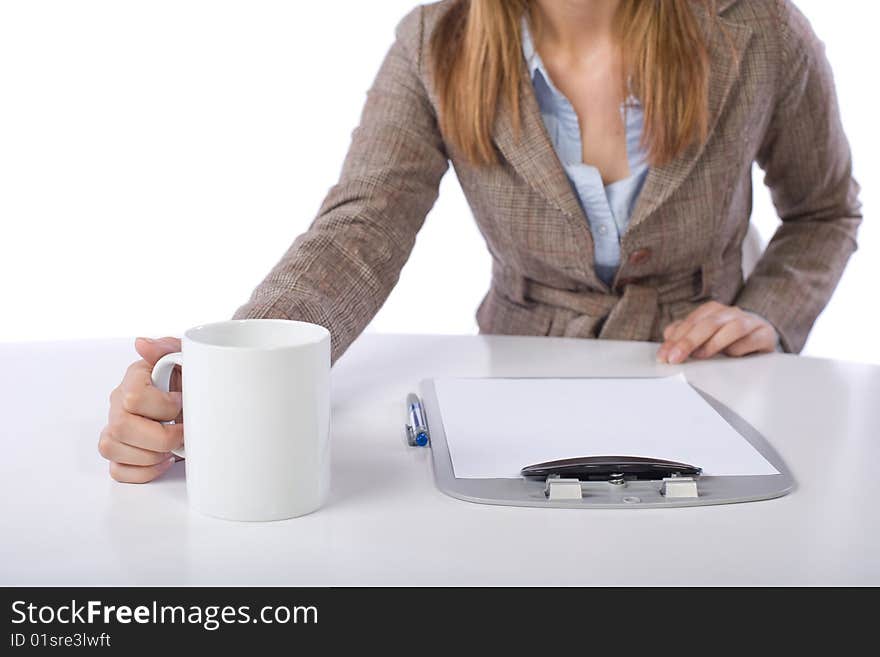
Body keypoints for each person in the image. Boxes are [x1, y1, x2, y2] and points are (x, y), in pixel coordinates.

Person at [98, 0, 862, 483]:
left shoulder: (760, 28)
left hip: (717, 387)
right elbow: (361, 231)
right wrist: (228, 378)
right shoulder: (435, 41)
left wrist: (771, 310)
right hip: (516, 392)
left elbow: (825, 211)